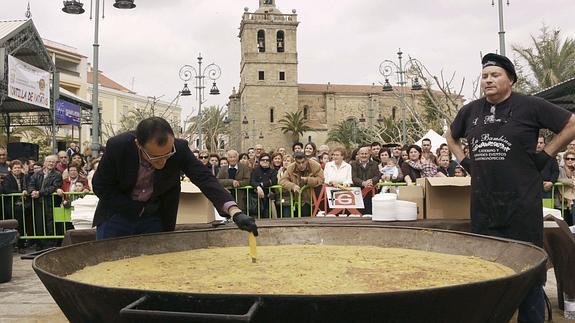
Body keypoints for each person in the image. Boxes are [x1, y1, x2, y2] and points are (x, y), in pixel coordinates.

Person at [447, 53, 575, 323]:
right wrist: (465, 160)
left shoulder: (531, 106)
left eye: (495, 75)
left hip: (522, 206)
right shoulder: (470, 110)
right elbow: (451, 135)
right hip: (483, 206)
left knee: (528, 273)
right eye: (485, 76)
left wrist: (547, 154)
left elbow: (571, 123)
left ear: (511, 80)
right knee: (486, 272)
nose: (489, 80)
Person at [92, 117, 258, 239]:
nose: (163, 162)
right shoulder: (118, 146)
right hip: (116, 216)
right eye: (156, 158)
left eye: (168, 154)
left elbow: (205, 178)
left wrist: (234, 211)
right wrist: (136, 209)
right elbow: (100, 186)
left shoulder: (179, 148)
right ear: (138, 145)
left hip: (155, 218)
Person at [28, 155, 63, 249]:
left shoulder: (57, 174)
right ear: (45, 163)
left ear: (56, 164)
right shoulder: (37, 174)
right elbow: (31, 184)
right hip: (38, 203)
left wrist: (40, 193)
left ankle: (50, 245)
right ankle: (40, 245)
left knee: (50, 224)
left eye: (53, 162)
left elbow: (53, 187)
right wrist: (32, 191)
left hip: (50, 203)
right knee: (39, 223)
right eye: (49, 161)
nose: (51, 163)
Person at [279, 151, 324, 217]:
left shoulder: (315, 166)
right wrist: (292, 186)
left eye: (303, 162)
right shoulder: (290, 168)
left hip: (314, 198)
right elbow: (282, 180)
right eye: (298, 163)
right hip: (298, 199)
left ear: (306, 160)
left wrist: (308, 180)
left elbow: (321, 179)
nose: (301, 165)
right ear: (295, 161)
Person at [351, 146, 380, 214]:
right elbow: (354, 177)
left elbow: (377, 176)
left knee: (370, 213)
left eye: (366, 154)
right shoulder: (353, 164)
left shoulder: (375, 164)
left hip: (371, 192)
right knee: (358, 213)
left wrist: (370, 181)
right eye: (362, 154)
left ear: (369, 154)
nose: (364, 155)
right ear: (358, 154)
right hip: (357, 192)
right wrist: (363, 183)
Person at [249, 153, 278, 218]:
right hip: (257, 198)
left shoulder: (273, 171)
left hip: (269, 198)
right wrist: (258, 187)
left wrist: (260, 184)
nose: (265, 161)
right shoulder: (255, 171)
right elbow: (252, 181)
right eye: (263, 160)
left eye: (267, 160)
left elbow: (273, 181)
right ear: (259, 161)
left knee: (268, 218)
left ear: (270, 162)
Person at [536, 135, 559, 199]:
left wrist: (551, 182)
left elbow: (556, 171)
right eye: (537, 142)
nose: (539, 145)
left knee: (547, 208)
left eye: (541, 143)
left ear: (544, 144)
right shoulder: (527, 156)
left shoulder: (551, 157)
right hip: (531, 189)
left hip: (546, 189)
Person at [557, 151, 575, 226]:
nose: (570, 160)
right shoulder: (560, 169)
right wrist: (572, 182)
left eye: (573, 159)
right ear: (564, 160)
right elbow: (559, 179)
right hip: (563, 202)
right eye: (568, 159)